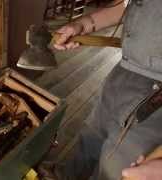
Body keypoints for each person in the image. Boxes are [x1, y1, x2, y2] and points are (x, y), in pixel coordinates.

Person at [38, 0, 162, 179]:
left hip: (156, 102)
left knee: (116, 166)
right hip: (125, 70)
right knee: (92, 136)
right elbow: (127, 4)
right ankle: (67, 175)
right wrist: (83, 24)